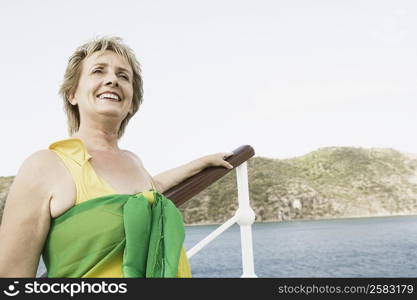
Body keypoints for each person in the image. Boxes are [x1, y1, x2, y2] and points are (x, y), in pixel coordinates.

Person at [0, 36, 234, 278]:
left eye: (123, 76)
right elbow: (11, 278)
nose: (112, 80)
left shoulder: (134, 161)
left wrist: (201, 163)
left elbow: (153, 189)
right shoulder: (44, 166)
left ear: (131, 102)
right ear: (72, 94)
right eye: (98, 71)